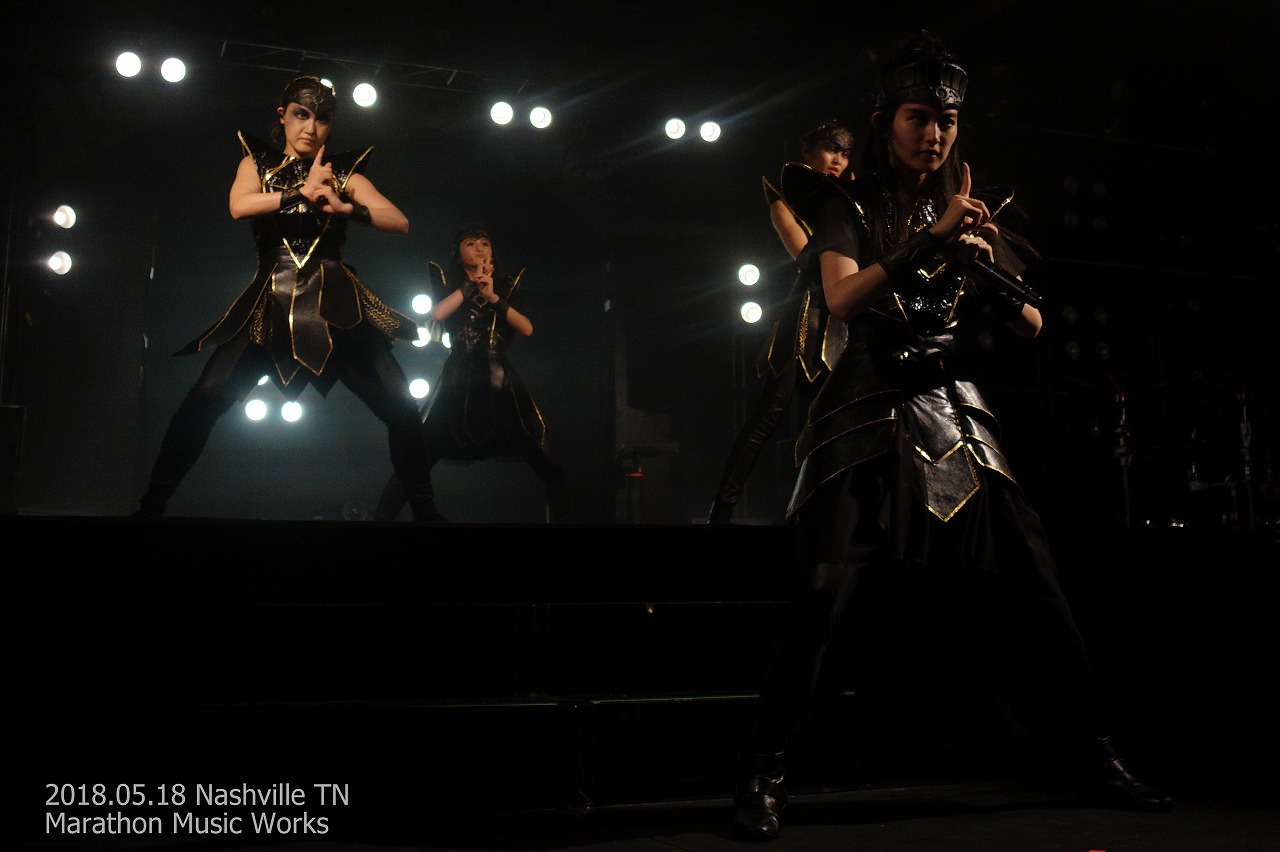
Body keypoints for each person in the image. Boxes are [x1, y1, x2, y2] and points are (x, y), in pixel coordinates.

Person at [729, 32, 1173, 841]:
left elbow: (1036, 321)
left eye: (947, 119)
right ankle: (764, 772)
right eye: (918, 116)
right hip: (863, 403)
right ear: (884, 121)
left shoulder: (968, 206)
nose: (933, 132)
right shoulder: (847, 203)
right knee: (826, 588)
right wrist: (926, 244)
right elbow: (839, 300)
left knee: (1038, 581)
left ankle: (1096, 755)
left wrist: (981, 265)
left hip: (949, 405)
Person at [133, 76, 437, 521]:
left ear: (331, 125)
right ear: (283, 115)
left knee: (402, 406)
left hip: (335, 304)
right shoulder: (256, 162)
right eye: (301, 115)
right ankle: (152, 505)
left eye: (322, 119)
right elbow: (239, 205)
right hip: (270, 301)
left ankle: (427, 513)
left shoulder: (342, 173)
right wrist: (298, 193)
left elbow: (400, 220)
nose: (310, 128)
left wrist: (344, 205)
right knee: (207, 395)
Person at [708, 121, 854, 524]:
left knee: (840, 425)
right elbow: (806, 257)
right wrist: (839, 211)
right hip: (804, 322)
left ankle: (828, 517)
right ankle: (722, 510)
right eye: (830, 149)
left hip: (845, 324)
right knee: (767, 417)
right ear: (807, 155)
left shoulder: (849, 204)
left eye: (844, 153)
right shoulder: (785, 202)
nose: (838, 160)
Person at [372, 224, 569, 523]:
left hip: (500, 377)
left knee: (546, 458)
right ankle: (380, 518)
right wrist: (469, 287)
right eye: (471, 243)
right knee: (420, 453)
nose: (479, 248)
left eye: (485, 244)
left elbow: (527, 328)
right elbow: (436, 315)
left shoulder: (506, 285)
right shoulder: (448, 282)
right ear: (458, 253)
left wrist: (492, 296)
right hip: (458, 378)